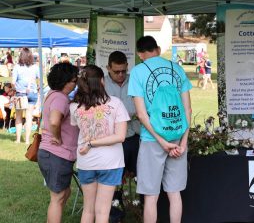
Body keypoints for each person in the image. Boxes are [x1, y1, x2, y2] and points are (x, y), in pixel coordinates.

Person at [128, 35, 192, 223]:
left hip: (152, 139)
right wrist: (184, 141)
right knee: (175, 194)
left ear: (140, 54)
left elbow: (141, 114)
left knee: (150, 197)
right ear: (157, 49)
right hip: (178, 137)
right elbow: (187, 109)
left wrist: (161, 141)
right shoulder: (177, 68)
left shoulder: (138, 72)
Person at [70, 65, 130, 223]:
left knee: (88, 210)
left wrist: (90, 143)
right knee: (103, 211)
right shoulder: (116, 103)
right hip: (110, 162)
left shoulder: (74, 106)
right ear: (102, 81)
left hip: (86, 162)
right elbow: (121, 136)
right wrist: (92, 143)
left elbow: (79, 129)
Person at [37, 63, 79, 223]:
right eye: (74, 81)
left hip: (53, 155)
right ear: (65, 81)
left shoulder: (52, 94)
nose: (75, 84)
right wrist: (57, 137)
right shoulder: (60, 98)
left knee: (65, 192)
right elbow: (55, 121)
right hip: (56, 154)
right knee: (58, 197)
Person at [105, 51, 141, 176]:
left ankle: (139, 195)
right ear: (108, 68)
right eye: (116, 72)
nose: (120, 75)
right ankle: (115, 195)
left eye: (123, 71)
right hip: (111, 138)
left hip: (135, 136)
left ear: (127, 66)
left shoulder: (136, 81)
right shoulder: (102, 84)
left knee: (140, 173)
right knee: (112, 176)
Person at [12, 47, 40, 144]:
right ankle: (27, 141)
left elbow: (12, 83)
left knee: (19, 117)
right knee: (29, 117)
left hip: (20, 94)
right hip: (32, 93)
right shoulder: (35, 67)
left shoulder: (17, 67)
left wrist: (15, 88)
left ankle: (18, 139)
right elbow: (40, 81)